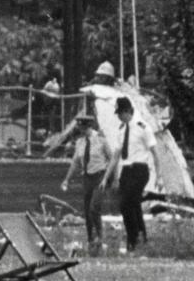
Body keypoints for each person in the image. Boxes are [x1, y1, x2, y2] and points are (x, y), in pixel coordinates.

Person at [101, 96, 156, 252]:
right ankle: (140, 237)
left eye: (120, 113)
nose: (118, 116)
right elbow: (116, 156)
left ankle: (133, 239)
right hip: (126, 171)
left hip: (139, 169)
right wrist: (107, 177)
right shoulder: (121, 130)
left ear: (127, 111)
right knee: (134, 205)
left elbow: (155, 152)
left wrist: (156, 176)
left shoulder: (143, 127)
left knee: (125, 205)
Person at [60, 114, 112, 254]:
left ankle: (100, 237)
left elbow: (112, 159)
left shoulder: (101, 139)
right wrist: (67, 179)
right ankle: (90, 239)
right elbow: (76, 162)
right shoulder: (80, 142)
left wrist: (109, 178)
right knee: (87, 211)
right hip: (87, 177)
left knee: (94, 207)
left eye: (82, 128)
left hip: (100, 176)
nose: (81, 131)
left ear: (88, 126)